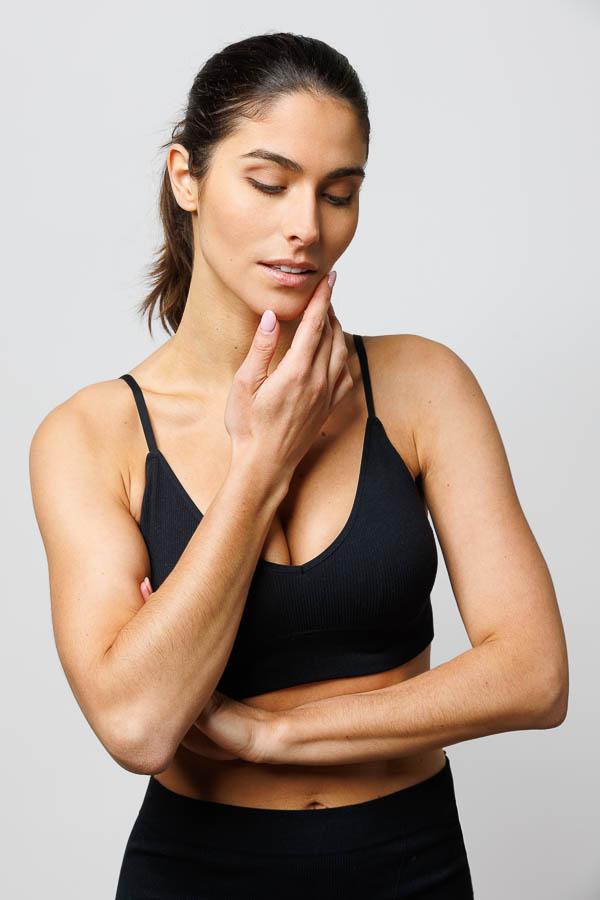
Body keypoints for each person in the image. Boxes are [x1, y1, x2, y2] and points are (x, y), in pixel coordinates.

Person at [29, 32, 568, 899]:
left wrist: (276, 736)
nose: (306, 228)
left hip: (412, 863)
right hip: (194, 872)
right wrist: (260, 467)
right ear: (186, 178)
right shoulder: (91, 436)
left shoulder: (423, 386)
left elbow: (536, 676)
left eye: (339, 192)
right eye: (269, 183)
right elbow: (135, 723)